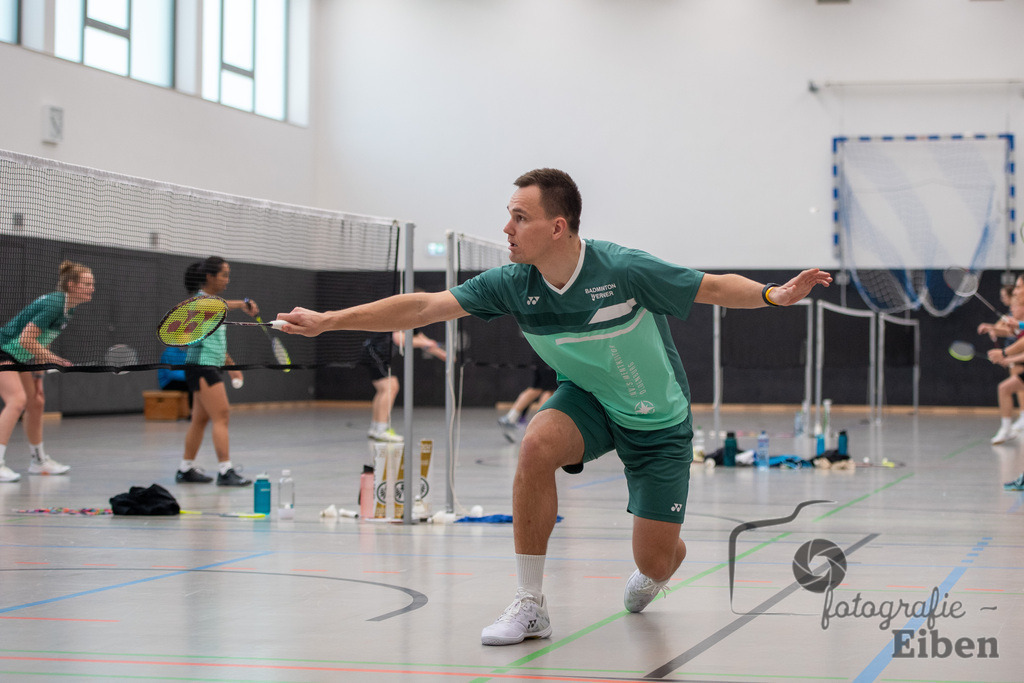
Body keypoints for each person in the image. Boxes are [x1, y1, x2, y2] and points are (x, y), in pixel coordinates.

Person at [276, 168, 832, 645]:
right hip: (587, 402)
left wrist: (773, 295)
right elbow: (423, 305)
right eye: (508, 215)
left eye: (519, 216)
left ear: (557, 226)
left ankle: (665, 560)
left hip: (656, 421)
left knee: (653, 564)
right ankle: (530, 604)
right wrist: (329, 321)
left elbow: (709, 287)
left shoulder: (623, 270)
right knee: (537, 443)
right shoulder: (514, 283)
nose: (506, 228)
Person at [0, 260, 95, 482]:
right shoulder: (54, 304)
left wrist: (40, 375)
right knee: (17, 400)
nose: (92, 288)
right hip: (4, 350)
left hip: (20, 356)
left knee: (36, 401)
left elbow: (44, 340)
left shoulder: (67, 309)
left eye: (92, 284)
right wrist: (56, 361)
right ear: (71, 285)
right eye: (87, 284)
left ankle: (38, 461)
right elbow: (26, 339)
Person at [174, 256, 256, 486]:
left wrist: (232, 368)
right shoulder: (200, 302)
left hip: (208, 365)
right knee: (222, 416)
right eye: (224, 275)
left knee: (200, 420)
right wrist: (243, 303)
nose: (227, 280)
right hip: (201, 367)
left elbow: (216, 344)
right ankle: (225, 471)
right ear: (209, 277)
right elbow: (213, 307)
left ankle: (185, 469)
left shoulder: (213, 304)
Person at [362, 329, 446, 442]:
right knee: (390, 387)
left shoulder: (415, 324)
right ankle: (381, 430)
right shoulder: (402, 315)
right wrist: (425, 343)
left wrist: (443, 354)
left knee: (383, 389)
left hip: (373, 353)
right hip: (377, 353)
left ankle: (375, 428)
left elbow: (423, 340)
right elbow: (398, 338)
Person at [497, 356, 557, 443]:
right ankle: (541, 426)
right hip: (547, 354)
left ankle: (510, 418)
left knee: (540, 388)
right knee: (547, 389)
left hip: (541, 353)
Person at [158, 346, 192, 414]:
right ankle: (192, 412)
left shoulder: (187, 352)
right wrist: (190, 376)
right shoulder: (170, 352)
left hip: (183, 381)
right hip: (168, 382)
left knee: (196, 385)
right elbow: (171, 374)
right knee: (192, 386)